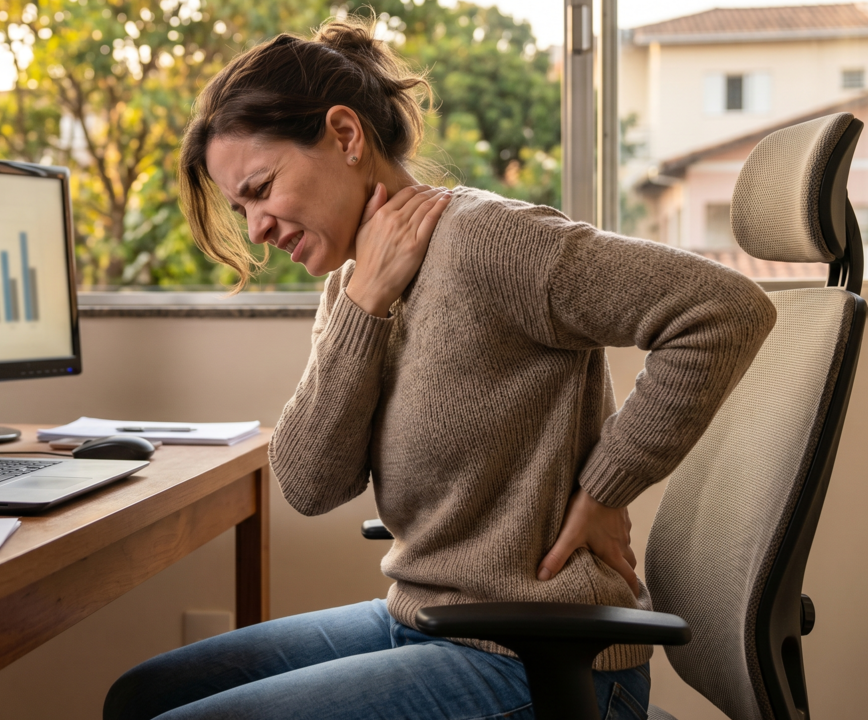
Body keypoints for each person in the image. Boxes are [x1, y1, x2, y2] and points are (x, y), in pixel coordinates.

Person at [104, 18, 776, 720]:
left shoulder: (491, 241)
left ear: (345, 135)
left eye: (261, 188)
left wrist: (606, 486)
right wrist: (364, 305)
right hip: (426, 623)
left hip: (534, 658)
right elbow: (309, 484)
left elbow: (723, 308)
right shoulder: (352, 290)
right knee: (141, 699)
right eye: (243, 209)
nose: (258, 229)